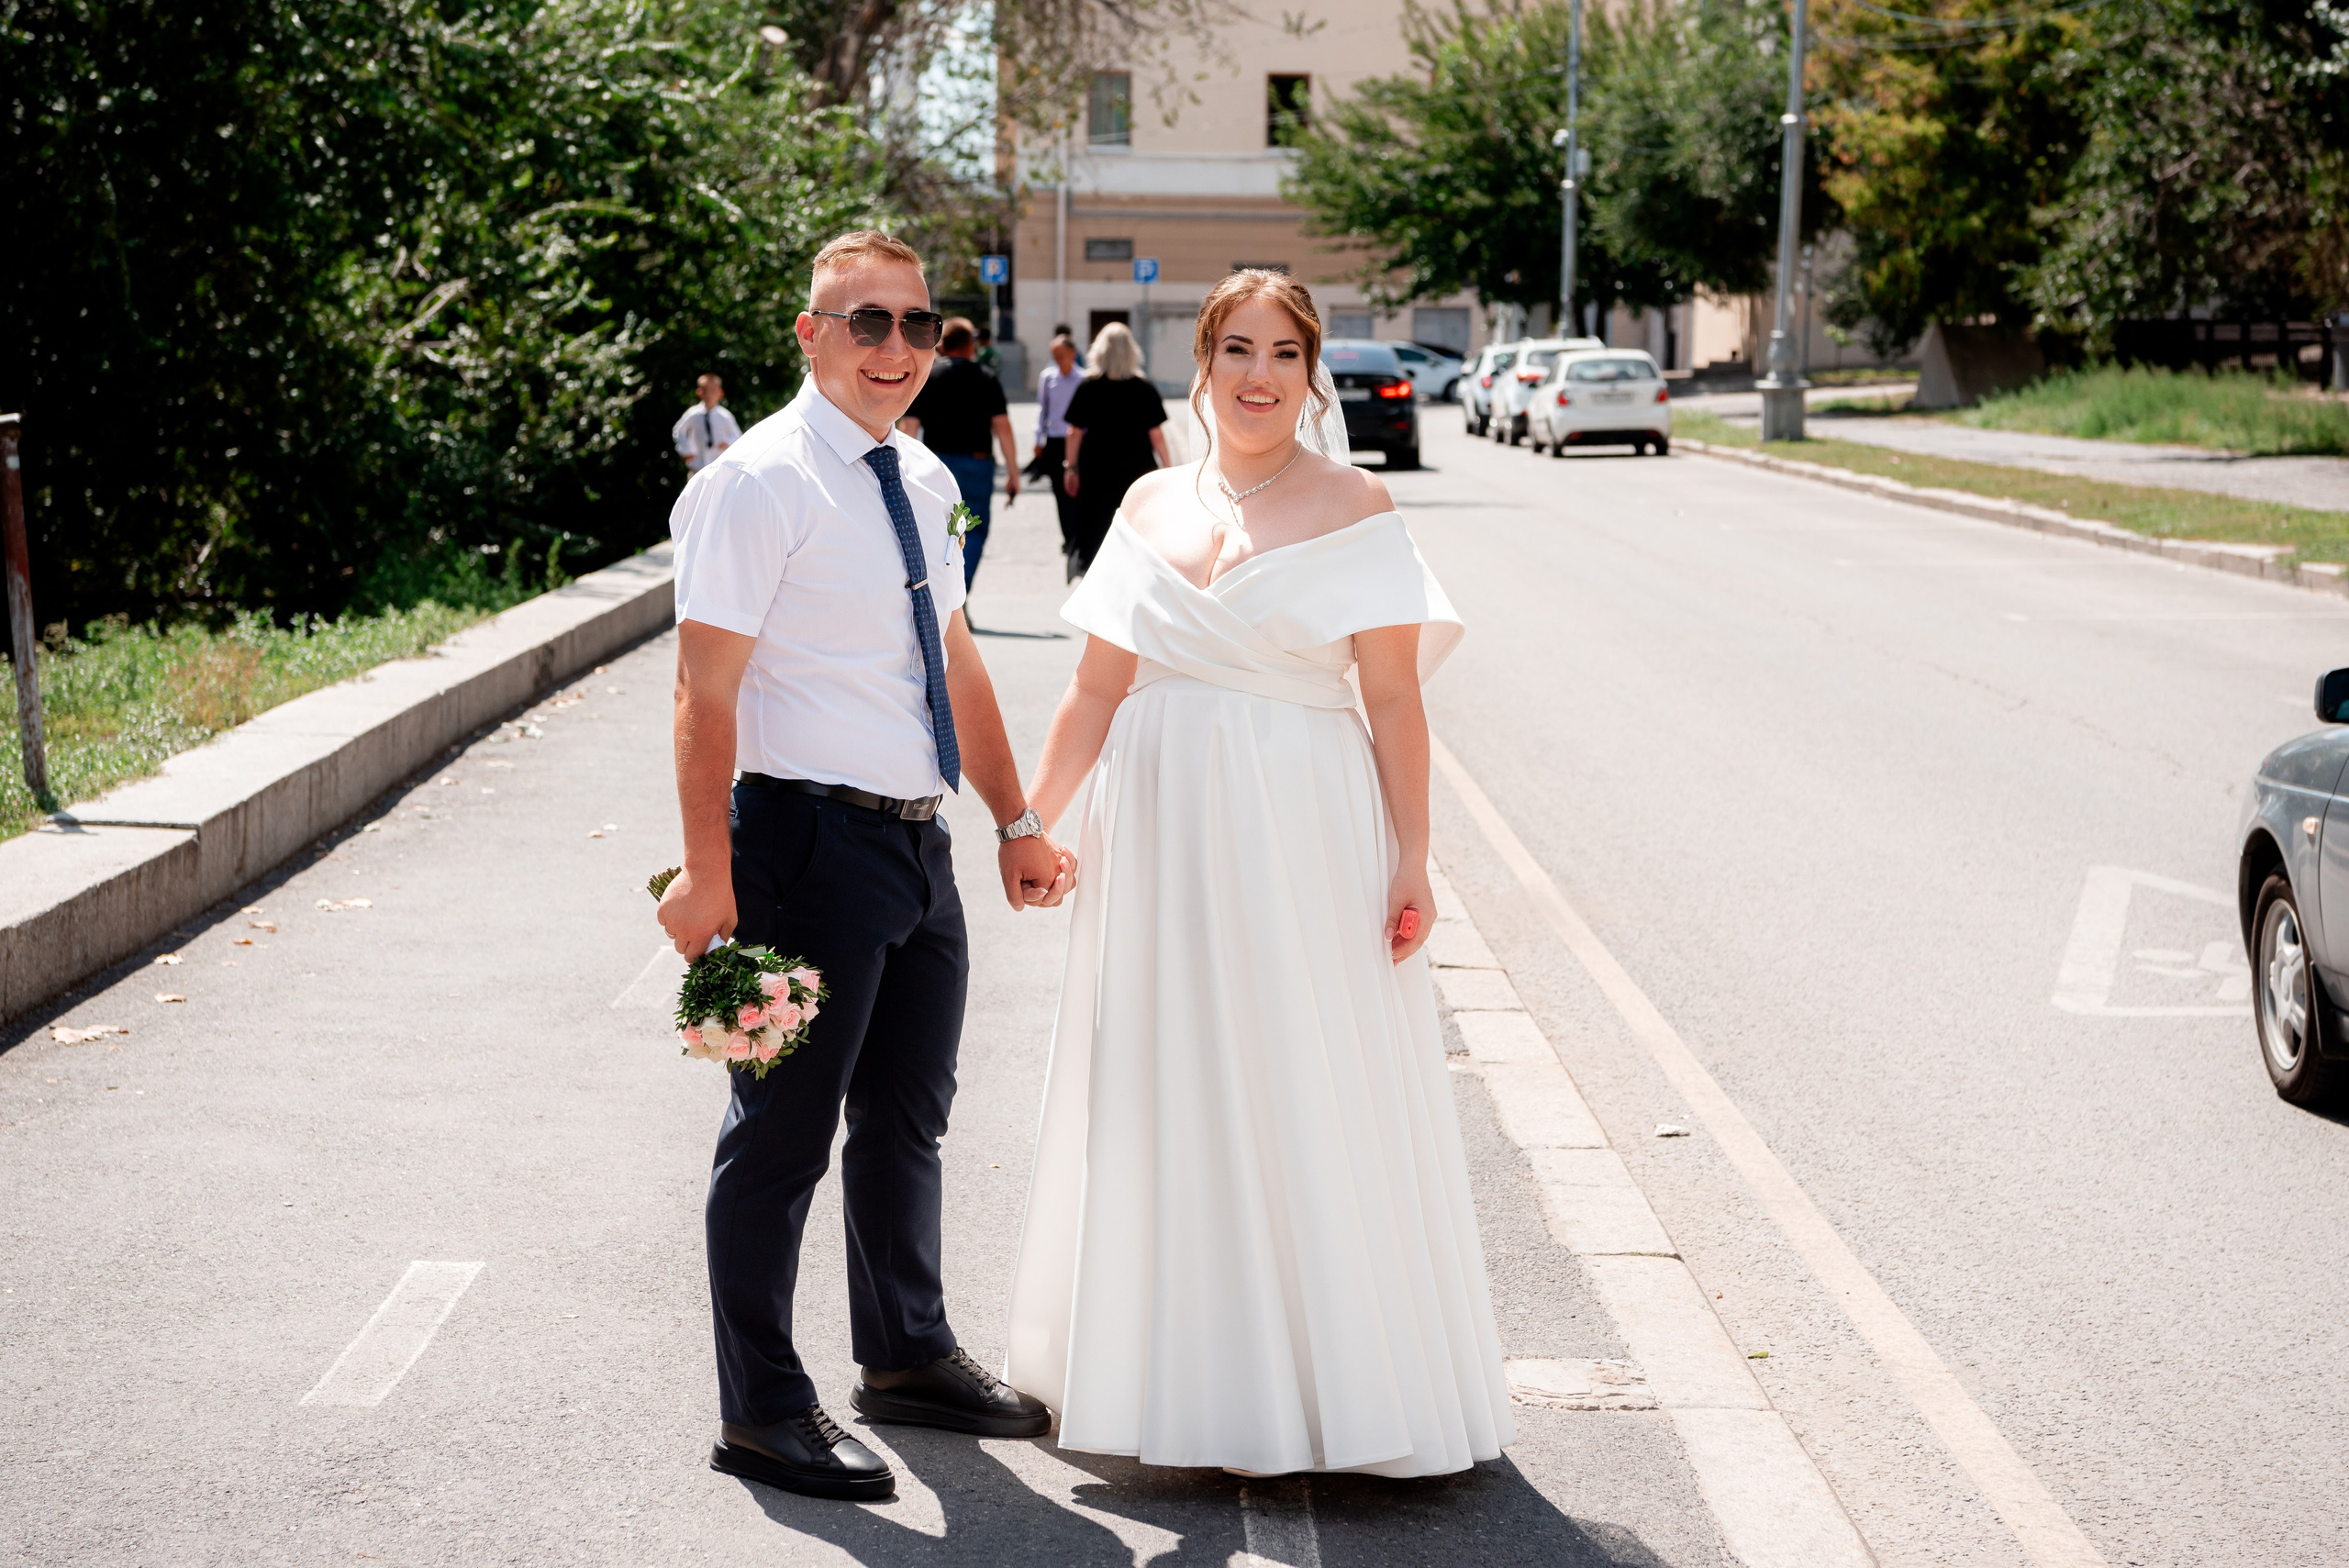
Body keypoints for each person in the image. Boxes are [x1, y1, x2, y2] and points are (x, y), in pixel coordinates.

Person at [1004, 269, 1512, 1477]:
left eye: (1284, 352)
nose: (1258, 374)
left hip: (1304, 829)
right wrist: (1030, 821)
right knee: (1166, 1079)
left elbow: (1394, 703)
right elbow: (1094, 689)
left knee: (1301, 1069)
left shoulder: (1356, 502)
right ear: (1202, 363)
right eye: (1236, 348)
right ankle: (1178, 1379)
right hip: (1158, 837)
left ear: (1311, 370)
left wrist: (1413, 858)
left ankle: (1333, 1389)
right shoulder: (1147, 502)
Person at [659, 230, 1074, 1505]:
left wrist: (1012, 819)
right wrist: (708, 874)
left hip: (916, 840)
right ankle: (761, 1409)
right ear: (811, 333)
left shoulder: (921, 474)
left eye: (916, 324)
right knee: (779, 1137)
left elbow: (952, 656)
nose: (897, 347)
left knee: (908, 1116)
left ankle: (904, 1356)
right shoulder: (757, 482)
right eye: (866, 322)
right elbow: (702, 690)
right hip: (801, 844)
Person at [901, 317, 1019, 589]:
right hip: (977, 464)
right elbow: (1003, 427)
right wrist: (1013, 472)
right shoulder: (986, 378)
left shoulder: (929, 377)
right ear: (970, 345)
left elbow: (909, 426)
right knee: (974, 529)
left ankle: (943, 590)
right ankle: (960, 590)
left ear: (943, 346)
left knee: (936, 529)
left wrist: (903, 467)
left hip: (936, 464)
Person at [1060, 322, 1168, 573]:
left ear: (1099, 351)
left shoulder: (1088, 386)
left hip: (1096, 469)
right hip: (1137, 470)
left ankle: (1097, 573)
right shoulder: (1144, 388)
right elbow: (1157, 436)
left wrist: (1070, 468)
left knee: (1097, 524)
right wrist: (1168, 469)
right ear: (1131, 352)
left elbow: (1074, 432)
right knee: (1135, 525)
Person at [1030, 333, 1084, 579]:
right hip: (1054, 441)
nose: (1058, 359)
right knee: (1060, 494)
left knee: (1077, 491)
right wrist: (1037, 438)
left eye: (1062, 354)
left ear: (1073, 354)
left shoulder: (1083, 379)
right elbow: (1042, 408)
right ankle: (1068, 537)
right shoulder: (1048, 377)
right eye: (1055, 356)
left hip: (1077, 441)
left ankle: (1078, 534)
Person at [673, 373, 742, 473]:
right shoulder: (693, 414)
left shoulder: (725, 416)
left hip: (719, 468)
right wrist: (686, 451)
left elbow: (737, 435)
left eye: (713, 391)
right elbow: (679, 431)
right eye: (705, 391)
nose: (709, 395)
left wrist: (728, 442)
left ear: (720, 393)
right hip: (697, 467)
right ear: (699, 392)